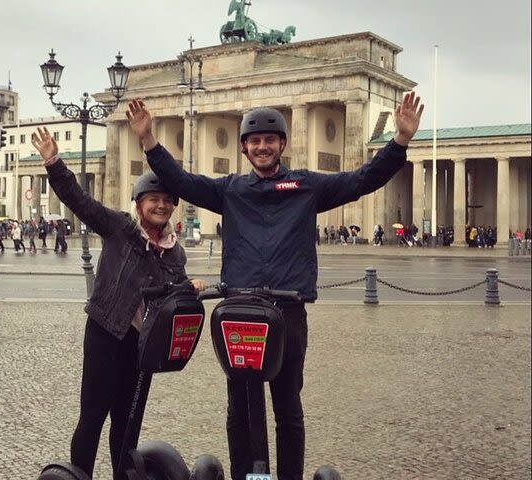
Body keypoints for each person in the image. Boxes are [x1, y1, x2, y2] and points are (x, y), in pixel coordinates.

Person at [126, 91, 424, 480]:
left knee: (287, 408)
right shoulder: (229, 190)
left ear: (282, 144)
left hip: (287, 311)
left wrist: (399, 140)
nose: (262, 146)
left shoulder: (306, 187)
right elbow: (181, 180)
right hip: (238, 312)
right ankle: (241, 475)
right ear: (245, 148)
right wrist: (149, 140)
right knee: (239, 407)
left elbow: (362, 180)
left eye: (270, 140)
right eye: (254, 141)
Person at [30, 125, 205, 478]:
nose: (161, 205)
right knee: (93, 415)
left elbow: (171, 292)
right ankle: (79, 474)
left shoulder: (176, 253)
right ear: (139, 204)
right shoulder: (120, 228)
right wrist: (53, 161)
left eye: (167, 200)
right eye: (153, 199)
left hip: (142, 345)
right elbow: (79, 200)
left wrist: (189, 287)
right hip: (106, 332)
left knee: (128, 420)